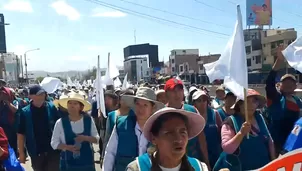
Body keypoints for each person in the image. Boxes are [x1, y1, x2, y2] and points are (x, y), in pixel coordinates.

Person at [126, 107, 208, 171]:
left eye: (183, 132)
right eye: (169, 133)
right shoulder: (137, 168)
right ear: (154, 138)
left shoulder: (199, 168)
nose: (179, 140)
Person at [102, 87, 164, 171]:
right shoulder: (121, 124)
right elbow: (110, 153)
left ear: (152, 108)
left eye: (145, 105)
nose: (140, 109)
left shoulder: (159, 129)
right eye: (138, 104)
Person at [214, 89, 275, 171]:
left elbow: (269, 140)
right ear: (239, 105)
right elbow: (227, 149)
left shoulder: (259, 118)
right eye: (246, 102)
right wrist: (241, 133)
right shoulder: (230, 122)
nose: (251, 105)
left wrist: (274, 161)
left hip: (264, 166)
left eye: (254, 101)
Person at [165, 78, 210, 168]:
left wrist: (206, 161)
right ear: (166, 94)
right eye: (173, 90)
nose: (177, 94)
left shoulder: (192, 110)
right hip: (170, 163)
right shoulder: (161, 114)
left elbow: (201, 138)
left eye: (180, 90)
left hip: (192, 162)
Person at [265, 45, 302, 155]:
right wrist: (279, 61)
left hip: (294, 143)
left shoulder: (298, 100)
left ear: (295, 85)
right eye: (285, 82)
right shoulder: (275, 97)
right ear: (280, 85)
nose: (289, 85)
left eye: (291, 82)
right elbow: (269, 82)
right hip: (277, 145)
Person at [51, 92, 99, 171]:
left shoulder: (88, 120)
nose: (72, 106)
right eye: (69, 103)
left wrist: (85, 138)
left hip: (87, 164)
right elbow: (54, 143)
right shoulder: (60, 122)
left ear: (81, 107)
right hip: (67, 164)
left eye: (75, 103)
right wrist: (66, 147)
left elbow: (97, 139)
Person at [17, 85, 60, 171]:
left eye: (43, 94)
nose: (42, 96)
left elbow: (60, 128)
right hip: (36, 152)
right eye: (39, 94)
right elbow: (21, 134)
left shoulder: (52, 108)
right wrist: (21, 153)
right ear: (30, 96)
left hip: (53, 151)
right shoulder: (25, 112)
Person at [192, 90, 222, 169]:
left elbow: (221, 134)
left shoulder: (215, 114)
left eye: (204, 100)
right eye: (199, 100)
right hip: (198, 156)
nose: (202, 103)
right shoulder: (192, 117)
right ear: (194, 103)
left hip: (216, 155)